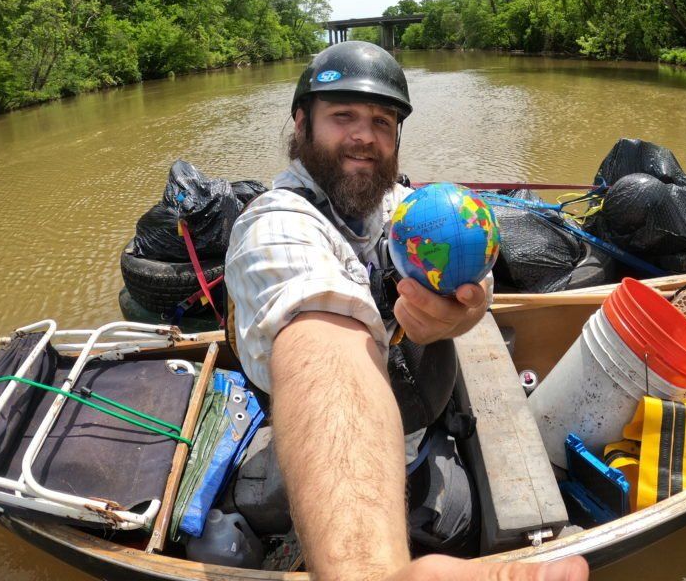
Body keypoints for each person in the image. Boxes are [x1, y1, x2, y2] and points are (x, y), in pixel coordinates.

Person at [226, 42, 588, 581]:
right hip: (340, 462)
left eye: (381, 120)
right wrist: (371, 574)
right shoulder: (275, 227)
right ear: (300, 123)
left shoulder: (392, 205)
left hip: (420, 432)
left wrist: (470, 300)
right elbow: (322, 346)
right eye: (341, 116)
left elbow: (463, 249)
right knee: (458, 520)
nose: (364, 136)